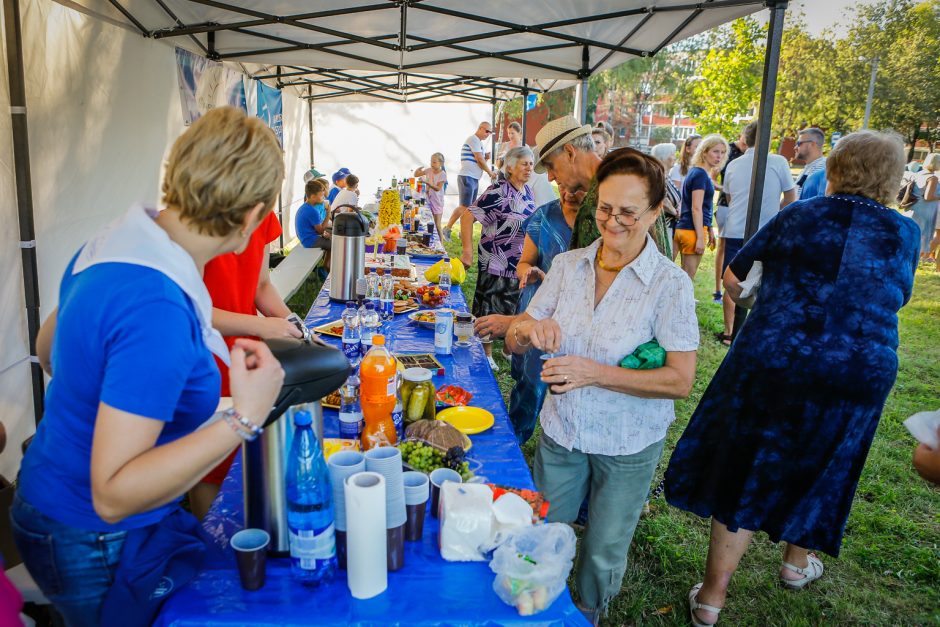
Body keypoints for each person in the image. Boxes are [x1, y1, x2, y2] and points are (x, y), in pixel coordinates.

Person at [14, 107, 286, 624]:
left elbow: (49, 349)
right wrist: (243, 417)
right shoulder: (157, 305)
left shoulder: (121, 242)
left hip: (48, 495)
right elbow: (114, 495)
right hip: (91, 531)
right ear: (252, 216)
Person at [664, 130, 919, 627]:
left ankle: (712, 599)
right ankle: (795, 564)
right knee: (826, 458)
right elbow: (900, 295)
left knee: (746, 460)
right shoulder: (905, 233)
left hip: (777, 356)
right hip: (859, 364)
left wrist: (766, 303)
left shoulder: (798, 215)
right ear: (891, 178)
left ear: (838, 168)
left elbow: (733, 277)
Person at [505, 148, 698, 624]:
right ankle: (533, 607)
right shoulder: (569, 266)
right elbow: (513, 338)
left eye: (628, 212)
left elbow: (680, 380)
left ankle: (589, 613)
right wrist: (530, 331)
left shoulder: (669, 286)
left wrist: (596, 373)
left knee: (603, 549)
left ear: (655, 213)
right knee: (544, 530)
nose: (613, 222)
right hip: (563, 431)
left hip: (627, 441)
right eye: (606, 208)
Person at [190, 200, 302, 520]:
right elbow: (194, 311)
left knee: (251, 452)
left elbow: (261, 286)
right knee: (210, 464)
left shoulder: (263, 215)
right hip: (207, 356)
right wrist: (262, 326)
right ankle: (212, 552)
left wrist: (296, 326)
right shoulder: (199, 218)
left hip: (248, 354)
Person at [504, 183, 583, 442]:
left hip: (579, 313)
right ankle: (516, 437)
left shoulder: (597, 220)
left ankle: (563, 440)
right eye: (562, 186)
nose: (568, 191)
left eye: (576, 188)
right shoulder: (544, 216)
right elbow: (525, 261)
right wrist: (527, 271)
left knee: (569, 381)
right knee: (529, 380)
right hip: (540, 307)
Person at [535, 115, 672, 258]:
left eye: (551, 166)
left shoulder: (603, 199)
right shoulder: (631, 179)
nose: (550, 177)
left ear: (570, 153)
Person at [715, 119, 797, 344]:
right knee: (764, 279)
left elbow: (730, 199)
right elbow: (791, 198)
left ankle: (730, 331)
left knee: (730, 279)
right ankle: (755, 330)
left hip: (735, 229)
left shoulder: (733, 164)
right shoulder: (778, 162)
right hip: (766, 231)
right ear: (768, 139)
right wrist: (774, 214)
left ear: (745, 139)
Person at [460, 146, 537, 369]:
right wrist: (466, 251)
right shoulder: (498, 192)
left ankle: (507, 349)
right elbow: (467, 218)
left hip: (518, 263)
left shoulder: (527, 191)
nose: (529, 168)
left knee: (513, 306)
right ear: (510, 167)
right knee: (491, 307)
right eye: (525, 163)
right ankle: (487, 353)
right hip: (496, 260)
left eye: (531, 164)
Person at [674, 134, 728, 281]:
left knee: (679, 278)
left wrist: (709, 227)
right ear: (704, 152)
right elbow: (696, 208)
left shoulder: (696, 172)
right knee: (685, 280)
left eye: (723, 152)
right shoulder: (700, 175)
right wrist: (699, 238)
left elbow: (704, 206)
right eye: (715, 151)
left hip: (684, 228)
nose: (720, 156)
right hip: (691, 230)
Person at [443, 122, 496, 241]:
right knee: (464, 207)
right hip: (467, 177)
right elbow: (479, 160)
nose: (488, 134)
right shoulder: (473, 139)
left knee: (470, 209)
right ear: (480, 128)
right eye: (487, 131)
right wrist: (490, 172)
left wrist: (485, 159)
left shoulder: (479, 143)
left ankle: (462, 232)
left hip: (473, 178)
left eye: (490, 132)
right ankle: (447, 228)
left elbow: (480, 161)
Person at [713, 129, 747, 303]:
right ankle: (719, 289)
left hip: (740, 207)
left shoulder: (749, 154)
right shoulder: (729, 151)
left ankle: (729, 288)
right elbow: (712, 174)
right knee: (723, 246)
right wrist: (722, 188)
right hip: (726, 205)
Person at [907, 152, 939, 262]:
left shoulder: (919, 174)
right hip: (926, 210)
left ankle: (912, 256)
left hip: (914, 207)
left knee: (913, 233)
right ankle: (918, 258)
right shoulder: (933, 178)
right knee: (923, 235)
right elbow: (928, 196)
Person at [414, 153, 448, 243]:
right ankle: (432, 242)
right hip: (429, 201)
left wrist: (427, 183)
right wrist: (418, 170)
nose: (432, 164)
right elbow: (416, 174)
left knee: (437, 225)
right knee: (430, 223)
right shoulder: (429, 170)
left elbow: (438, 188)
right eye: (431, 161)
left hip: (438, 202)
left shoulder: (442, 174)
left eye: (434, 162)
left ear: (441, 163)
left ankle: (441, 245)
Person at [794, 127, 826, 199]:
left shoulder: (822, 167)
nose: (795, 147)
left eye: (799, 143)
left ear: (812, 144)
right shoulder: (810, 166)